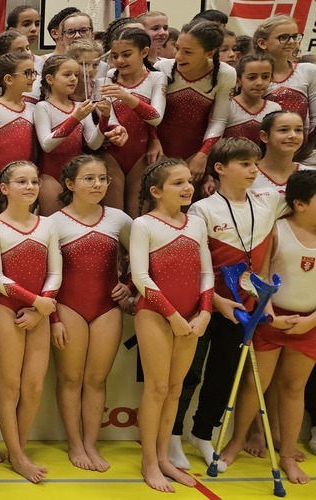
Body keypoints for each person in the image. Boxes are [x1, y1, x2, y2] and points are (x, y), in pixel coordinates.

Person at [164, 138, 286, 472]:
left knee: (224, 373)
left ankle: (202, 433)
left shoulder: (269, 202)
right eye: (245, 164)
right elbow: (193, 264)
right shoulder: (203, 209)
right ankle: (172, 435)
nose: (253, 170)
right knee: (188, 374)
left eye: (255, 163)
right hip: (204, 303)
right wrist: (214, 302)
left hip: (244, 307)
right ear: (219, 169)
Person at [219, 169, 316, 484]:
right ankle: (235, 442)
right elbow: (258, 277)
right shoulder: (276, 230)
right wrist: (270, 314)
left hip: (310, 322)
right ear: (299, 204)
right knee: (253, 383)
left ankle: (287, 455)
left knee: (293, 388)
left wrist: (309, 322)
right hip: (271, 316)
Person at [130, 158, 213, 493]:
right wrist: (174, 317)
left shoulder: (195, 222)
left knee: (176, 389)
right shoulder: (144, 224)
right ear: (156, 191)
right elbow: (140, 276)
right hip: (155, 313)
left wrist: (205, 312)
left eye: (188, 181)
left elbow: (207, 272)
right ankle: (149, 460)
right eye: (177, 183)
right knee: (158, 388)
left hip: (192, 315)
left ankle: (164, 457)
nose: (187, 187)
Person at [0, 160, 62, 484]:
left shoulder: (47, 225)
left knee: (33, 387)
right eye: (21, 182)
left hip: (39, 314)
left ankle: (20, 447)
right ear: (4, 188)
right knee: (10, 385)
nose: (30, 187)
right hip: (5, 311)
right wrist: (36, 302)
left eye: (33, 182)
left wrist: (41, 310)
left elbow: (55, 271)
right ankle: (16, 455)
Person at [50, 155, 132, 473]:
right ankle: (75, 443)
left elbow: (143, 258)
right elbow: (47, 275)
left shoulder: (119, 219)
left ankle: (91, 444)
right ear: (70, 184)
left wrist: (128, 286)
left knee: (97, 379)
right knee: (70, 378)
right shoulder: (53, 223)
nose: (97, 184)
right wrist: (54, 317)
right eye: (89, 178)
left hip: (106, 308)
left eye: (102, 178)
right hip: (67, 306)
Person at [155, 21, 235, 187]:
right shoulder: (162, 67)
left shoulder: (225, 74)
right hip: (158, 149)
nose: (178, 56)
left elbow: (219, 120)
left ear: (209, 53)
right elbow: (151, 114)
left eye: (187, 52)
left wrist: (202, 155)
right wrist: (153, 142)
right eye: (177, 47)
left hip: (195, 152)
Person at [101, 28, 168, 216]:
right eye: (115, 55)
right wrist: (115, 128)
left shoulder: (156, 77)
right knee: (114, 217)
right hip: (112, 152)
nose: (120, 60)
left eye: (126, 54)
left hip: (141, 154)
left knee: (136, 216)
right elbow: (107, 112)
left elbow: (156, 117)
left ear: (144, 52)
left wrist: (126, 96)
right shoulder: (109, 76)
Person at [34, 54, 110, 215]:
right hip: (50, 176)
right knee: (54, 226)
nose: (73, 79)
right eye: (67, 75)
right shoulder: (43, 107)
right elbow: (46, 145)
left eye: (76, 75)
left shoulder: (79, 106)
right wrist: (76, 118)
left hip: (78, 177)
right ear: (50, 79)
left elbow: (93, 143)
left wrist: (105, 117)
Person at [252, 16, 316, 135]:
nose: (292, 42)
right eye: (284, 37)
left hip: (301, 148)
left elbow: (314, 119)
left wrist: (307, 150)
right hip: (260, 147)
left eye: (295, 37)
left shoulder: (308, 71)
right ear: (262, 43)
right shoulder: (251, 76)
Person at [224, 54, 282, 147]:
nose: (259, 83)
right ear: (238, 80)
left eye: (265, 77)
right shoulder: (227, 106)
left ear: (271, 79)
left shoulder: (274, 109)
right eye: (252, 77)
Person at [254, 110, 310, 194]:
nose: (293, 136)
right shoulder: (247, 173)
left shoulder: (311, 175)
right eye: (284, 130)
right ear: (264, 136)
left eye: (298, 130)